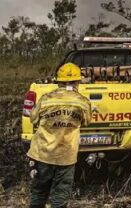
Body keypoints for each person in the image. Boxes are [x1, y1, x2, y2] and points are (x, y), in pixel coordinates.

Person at [27, 63, 92, 208]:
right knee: (60, 196)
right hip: (66, 156)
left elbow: (33, 118)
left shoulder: (45, 99)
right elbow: (86, 121)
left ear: (58, 82)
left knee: (39, 193)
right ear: (77, 82)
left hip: (42, 154)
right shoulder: (82, 102)